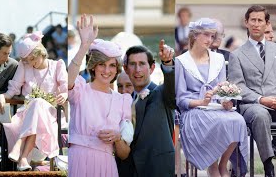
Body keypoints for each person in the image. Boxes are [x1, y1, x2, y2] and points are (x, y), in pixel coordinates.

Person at [176, 18, 248, 177]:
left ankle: (223, 164)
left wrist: (226, 101)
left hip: (216, 107)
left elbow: (222, 88)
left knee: (238, 121)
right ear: (195, 36)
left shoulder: (219, 59)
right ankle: (212, 165)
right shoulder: (181, 61)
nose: (210, 40)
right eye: (206, 35)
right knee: (214, 122)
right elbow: (181, 99)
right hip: (194, 110)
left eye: (213, 36)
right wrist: (201, 102)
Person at [68, 14, 133, 177]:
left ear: (117, 69)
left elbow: (124, 154)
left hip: (106, 165)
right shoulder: (81, 90)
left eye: (112, 65)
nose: (107, 70)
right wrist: (84, 45)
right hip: (79, 160)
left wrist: (118, 138)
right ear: (93, 67)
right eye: (101, 64)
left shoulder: (122, 100)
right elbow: (66, 80)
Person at [0, 31, 68, 171]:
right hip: (27, 114)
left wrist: (64, 95)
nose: (30, 63)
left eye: (32, 59)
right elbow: (14, 88)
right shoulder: (25, 66)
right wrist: (2, 96)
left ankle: (19, 146)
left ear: (40, 53)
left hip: (52, 115)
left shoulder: (57, 66)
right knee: (35, 105)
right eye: (26, 60)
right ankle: (23, 159)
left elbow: (66, 89)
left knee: (37, 103)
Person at [228, 5, 276, 177]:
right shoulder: (237, 55)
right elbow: (238, 86)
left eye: (260, 20)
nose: (256, 24)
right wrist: (261, 99)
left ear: (267, 24)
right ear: (246, 22)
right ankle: (268, 166)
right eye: (253, 20)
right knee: (260, 115)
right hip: (253, 105)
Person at [117, 39, 175, 176]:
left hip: (157, 170)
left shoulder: (163, 93)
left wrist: (168, 63)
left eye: (142, 64)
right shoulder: (121, 101)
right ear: (125, 68)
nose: (137, 70)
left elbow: (172, 87)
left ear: (152, 68)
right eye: (132, 64)